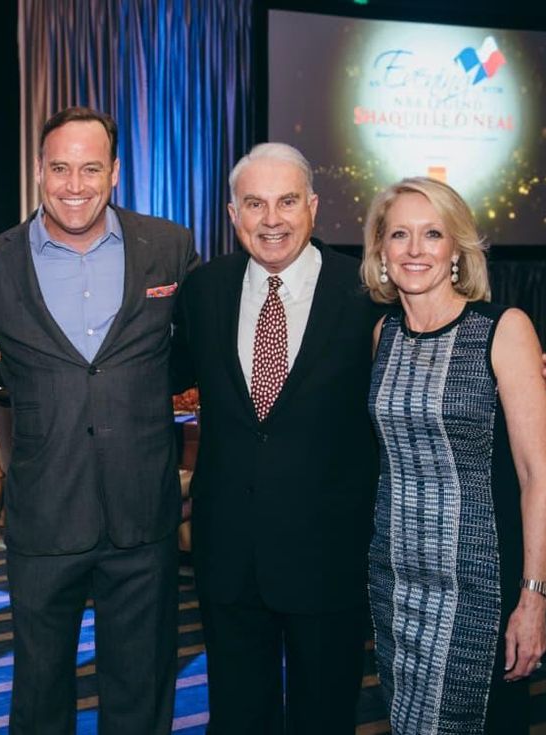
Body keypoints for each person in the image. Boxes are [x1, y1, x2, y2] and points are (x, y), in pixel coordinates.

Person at [0, 107, 199, 733]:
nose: (74, 184)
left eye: (91, 168)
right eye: (60, 167)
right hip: (43, 512)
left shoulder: (168, 248)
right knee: (39, 693)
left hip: (142, 514)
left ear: (115, 172)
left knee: (141, 687)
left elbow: (197, 354)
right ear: (39, 171)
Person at [170, 143, 379, 734]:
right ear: (232, 213)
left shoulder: (365, 292)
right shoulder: (205, 290)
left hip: (329, 555)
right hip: (229, 555)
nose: (272, 219)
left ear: (312, 207)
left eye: (287, 201)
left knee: (325, 716)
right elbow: (162, 376)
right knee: (237, 716)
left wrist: (510, 360)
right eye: (255, 204)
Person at [362, 177, 546, 734]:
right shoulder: (383, 334)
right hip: (393, 583)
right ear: (381, 252)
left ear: (455, 251)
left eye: (432, 234)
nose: (415, 250)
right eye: (400, 234)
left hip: (479, 588)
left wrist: (536, 598)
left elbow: (538, 474)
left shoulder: (503, 329)